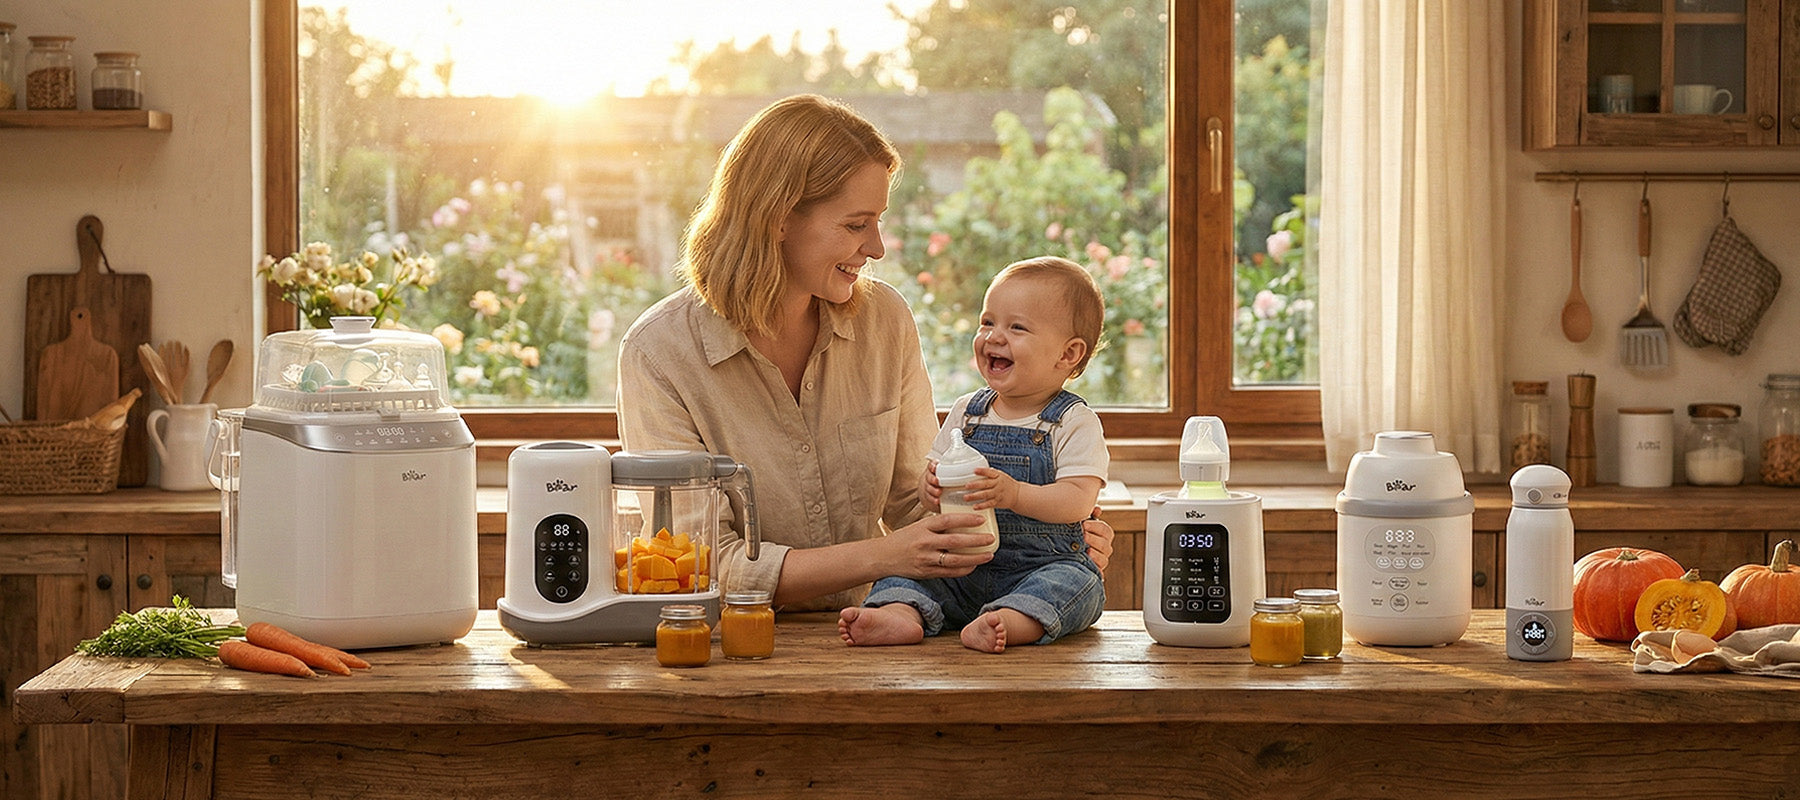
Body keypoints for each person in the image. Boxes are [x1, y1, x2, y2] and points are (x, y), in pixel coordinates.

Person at [617, 95, 1114, 613]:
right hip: (732, 647)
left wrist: (1049, 543)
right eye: (856, 225)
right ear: (778, 219)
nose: (877, 247)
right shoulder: (658, 355)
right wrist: (885, 556)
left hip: (879, 631)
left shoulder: (885, 321)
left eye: (877, 221)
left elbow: (918, 506)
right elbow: (700, 565)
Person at [839, 257, 1108, 653]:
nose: (994, 337)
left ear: (1068, 354)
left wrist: (1014, 494)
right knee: (908, 574)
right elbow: (932, 476)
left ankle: (1011, 620)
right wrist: (929, 487)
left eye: (1016, 327)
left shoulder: (1072, 422)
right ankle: (899, 613)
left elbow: (1077, 501)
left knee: (1077, 585)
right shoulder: (969, 411)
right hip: (962, 564)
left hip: (1040, 566)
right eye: (987, 322)